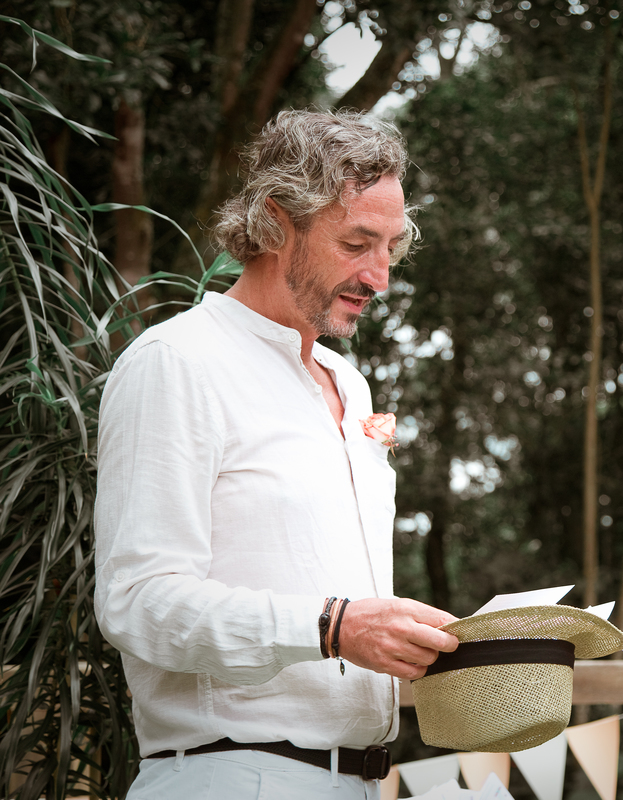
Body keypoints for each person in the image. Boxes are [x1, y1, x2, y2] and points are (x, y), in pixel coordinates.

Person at [94, 109, 459, 799]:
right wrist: (332, 627)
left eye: (391, 247)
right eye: (356, 244)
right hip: (232, 776)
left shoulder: (350, 383)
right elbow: (136, 601)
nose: (380, 276)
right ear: (275, 222)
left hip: (359, 780)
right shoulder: (177, 361)